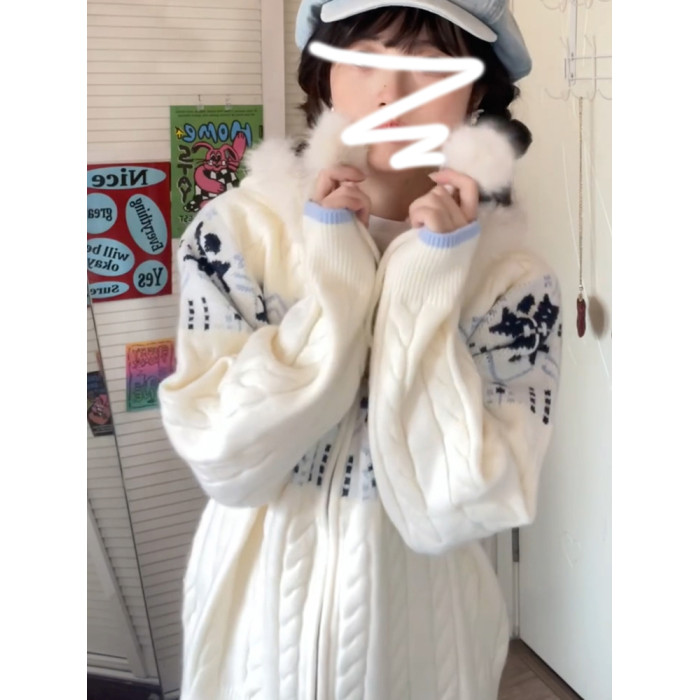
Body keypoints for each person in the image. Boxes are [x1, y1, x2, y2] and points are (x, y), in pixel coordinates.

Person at [158, 1, 562, 698]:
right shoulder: (235, 235)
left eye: (431, 66)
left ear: (477, 92)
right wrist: (339, 291)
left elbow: (460, 505)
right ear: (323, 73)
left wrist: (427, 278)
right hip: (254, 643)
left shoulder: (514, 285)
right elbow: (224, 458)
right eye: (364, 56)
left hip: (421, 648)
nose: (391, 91)